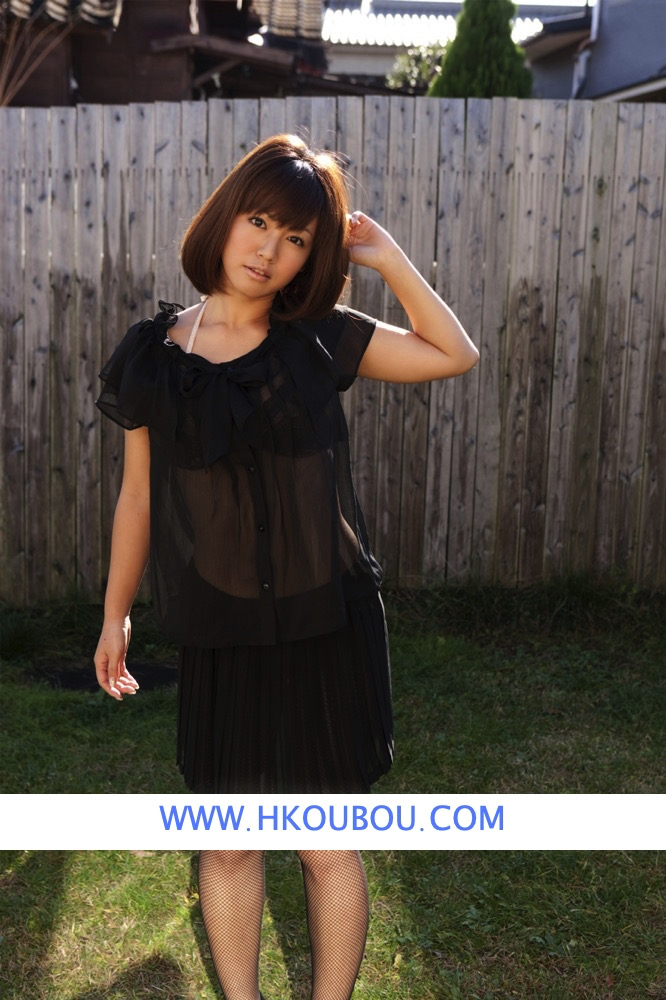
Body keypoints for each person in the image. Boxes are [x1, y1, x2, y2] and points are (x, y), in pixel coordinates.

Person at [93, 134, 478, 1000]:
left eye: (297, 237)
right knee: (230, 842)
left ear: (314, 255)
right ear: (226, 218)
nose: (270, 249)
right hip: (221, 627)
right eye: (260, 222)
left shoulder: (317, 339)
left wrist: (388, 258)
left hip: (324, 623)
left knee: (325, 842)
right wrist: (116, 613)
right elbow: (138, 498)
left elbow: (452, 353)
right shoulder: (152, 356)